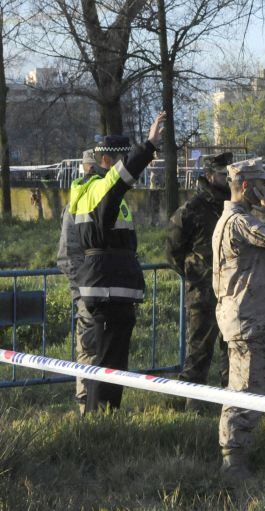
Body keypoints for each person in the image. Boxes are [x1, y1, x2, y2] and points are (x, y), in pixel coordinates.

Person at [69, 112, 166, 413]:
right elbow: (124, 175)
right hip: (109, 286)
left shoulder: (90, 191)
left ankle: (106, 417)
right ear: (110, 161)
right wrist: (149, 146)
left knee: (111, 360)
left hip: (106, 284)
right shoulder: (104, 189)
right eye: (122, 159)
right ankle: (102, 421)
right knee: (110, 362)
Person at [212, 159, 265, 481]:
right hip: (247, 320)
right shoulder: (240, 222)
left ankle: (234, 455)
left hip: (244, 318)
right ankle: (234, 461)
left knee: (242, 386)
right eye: (263, 186)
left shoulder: (231, 220)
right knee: (246, 389)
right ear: (246, 187)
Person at [166, 152, 232, 412]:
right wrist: (195, 272)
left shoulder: (233, 205)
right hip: (203, 293)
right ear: (209, 176)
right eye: (223, 174)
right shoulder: (192, 209)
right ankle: (194, 407)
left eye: (230, 174)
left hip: (231, 290)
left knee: (232, 351)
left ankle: (232, 404)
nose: (227, 179)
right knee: (199, 351)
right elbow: (172, 252)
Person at [56, 149, 99, 415]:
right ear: (85, 169)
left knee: (104, 349)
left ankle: (103, 405)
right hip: (87, 290)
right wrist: (83, 289)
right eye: (91, 168)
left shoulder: (109, 201)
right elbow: (67, 256)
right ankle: (85, 405)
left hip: (107, 288)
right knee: (88, 348)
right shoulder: (74, 206)